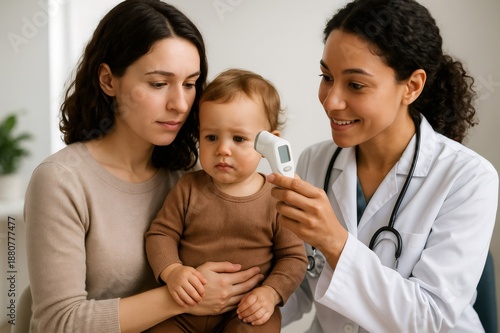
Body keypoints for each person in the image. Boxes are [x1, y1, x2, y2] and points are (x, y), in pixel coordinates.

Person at [23, 2, 264, 332]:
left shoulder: (194, 175)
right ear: (109, 80)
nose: (179, 104)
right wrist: (180, 297)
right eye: (158, 83)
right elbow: (57, 324)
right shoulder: (62, 181)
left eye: (190, 83)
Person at [268, 0, 499, 332]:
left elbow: (429, 319)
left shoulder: (468, 179)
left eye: (356, 84)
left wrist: (335, 241)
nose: (331, 101)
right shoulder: (315, 160)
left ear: (412, 86)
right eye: (326, 77)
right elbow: (304, 281)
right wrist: (253, 302)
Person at [145, 68, 308, 332]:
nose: (222, 149)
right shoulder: (188, 187)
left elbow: (293, 257)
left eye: (238, 138)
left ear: (269, 144)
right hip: (185, 311)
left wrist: (270, 293)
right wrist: (173, 271)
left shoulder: (277, 197)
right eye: (211, 137)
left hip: (244, 312)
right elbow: (160, 235)